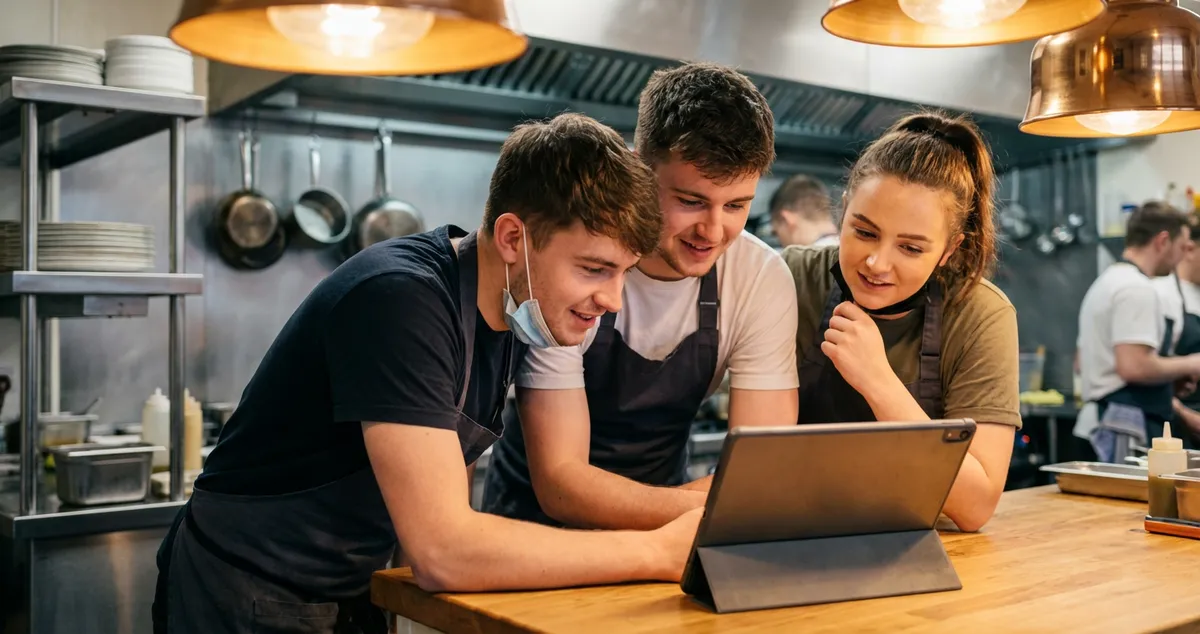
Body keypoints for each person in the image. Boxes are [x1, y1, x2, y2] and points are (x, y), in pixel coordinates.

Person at [151, 113, 704, 634]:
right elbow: (443, 547)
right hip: (246, 586)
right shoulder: (402, 301)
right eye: (594, 269)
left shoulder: (513, 311)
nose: (611, 299)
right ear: (514, 239)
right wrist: (655, 550)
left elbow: (435, 509)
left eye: (623, 273)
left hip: (347, 589)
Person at [481, 62, 800, 530]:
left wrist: (739, 497)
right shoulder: (573, 266)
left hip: (667, 538)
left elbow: (761, 469)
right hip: (532, 535)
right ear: (639, 166)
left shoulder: (759, 277)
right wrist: (725, 503)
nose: (713, 231)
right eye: (691, 201)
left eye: (736, 206)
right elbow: (562, 483)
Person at [781, 111, 1020, 533]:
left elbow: (976, 506)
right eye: (864, 232)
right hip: (788, 529)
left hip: (916, 543)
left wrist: (879, 381)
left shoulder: (980, 314)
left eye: (910, 248)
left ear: (949, 250)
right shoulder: (792, 278)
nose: (877, 263)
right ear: (843, 212)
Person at [1074, 201, 1200, 463]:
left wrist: (1167, 382)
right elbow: (1134, 366)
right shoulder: (1135, 288)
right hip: (1122, 425)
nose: (1180, 258)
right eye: (1181, 247)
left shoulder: (1109, 280)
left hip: (1105, 419)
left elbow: (1080, 362)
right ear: (1162, 241)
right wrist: (1191, 363)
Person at [1151, 212, 1200, 447]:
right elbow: (1146, 370)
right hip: (1179, 423)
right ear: (1190, 249)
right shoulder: (1161, 292)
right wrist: (1186, 414)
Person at [769, 174, 839, 247]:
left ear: (786, 219)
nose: (780, 243)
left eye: (776, 234)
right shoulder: (846, 251)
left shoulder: (801, 257)